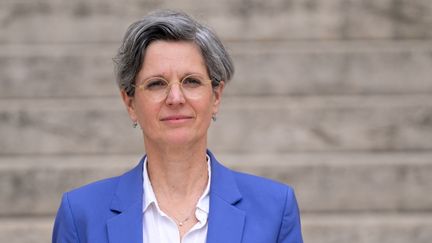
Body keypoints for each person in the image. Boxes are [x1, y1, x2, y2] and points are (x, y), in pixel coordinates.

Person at [52, 10, 303, 243]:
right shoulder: (80, 214)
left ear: (216, 97)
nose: (175, 98)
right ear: (130, 102)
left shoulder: (275, 209)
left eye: (191, 81)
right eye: (156, 84)